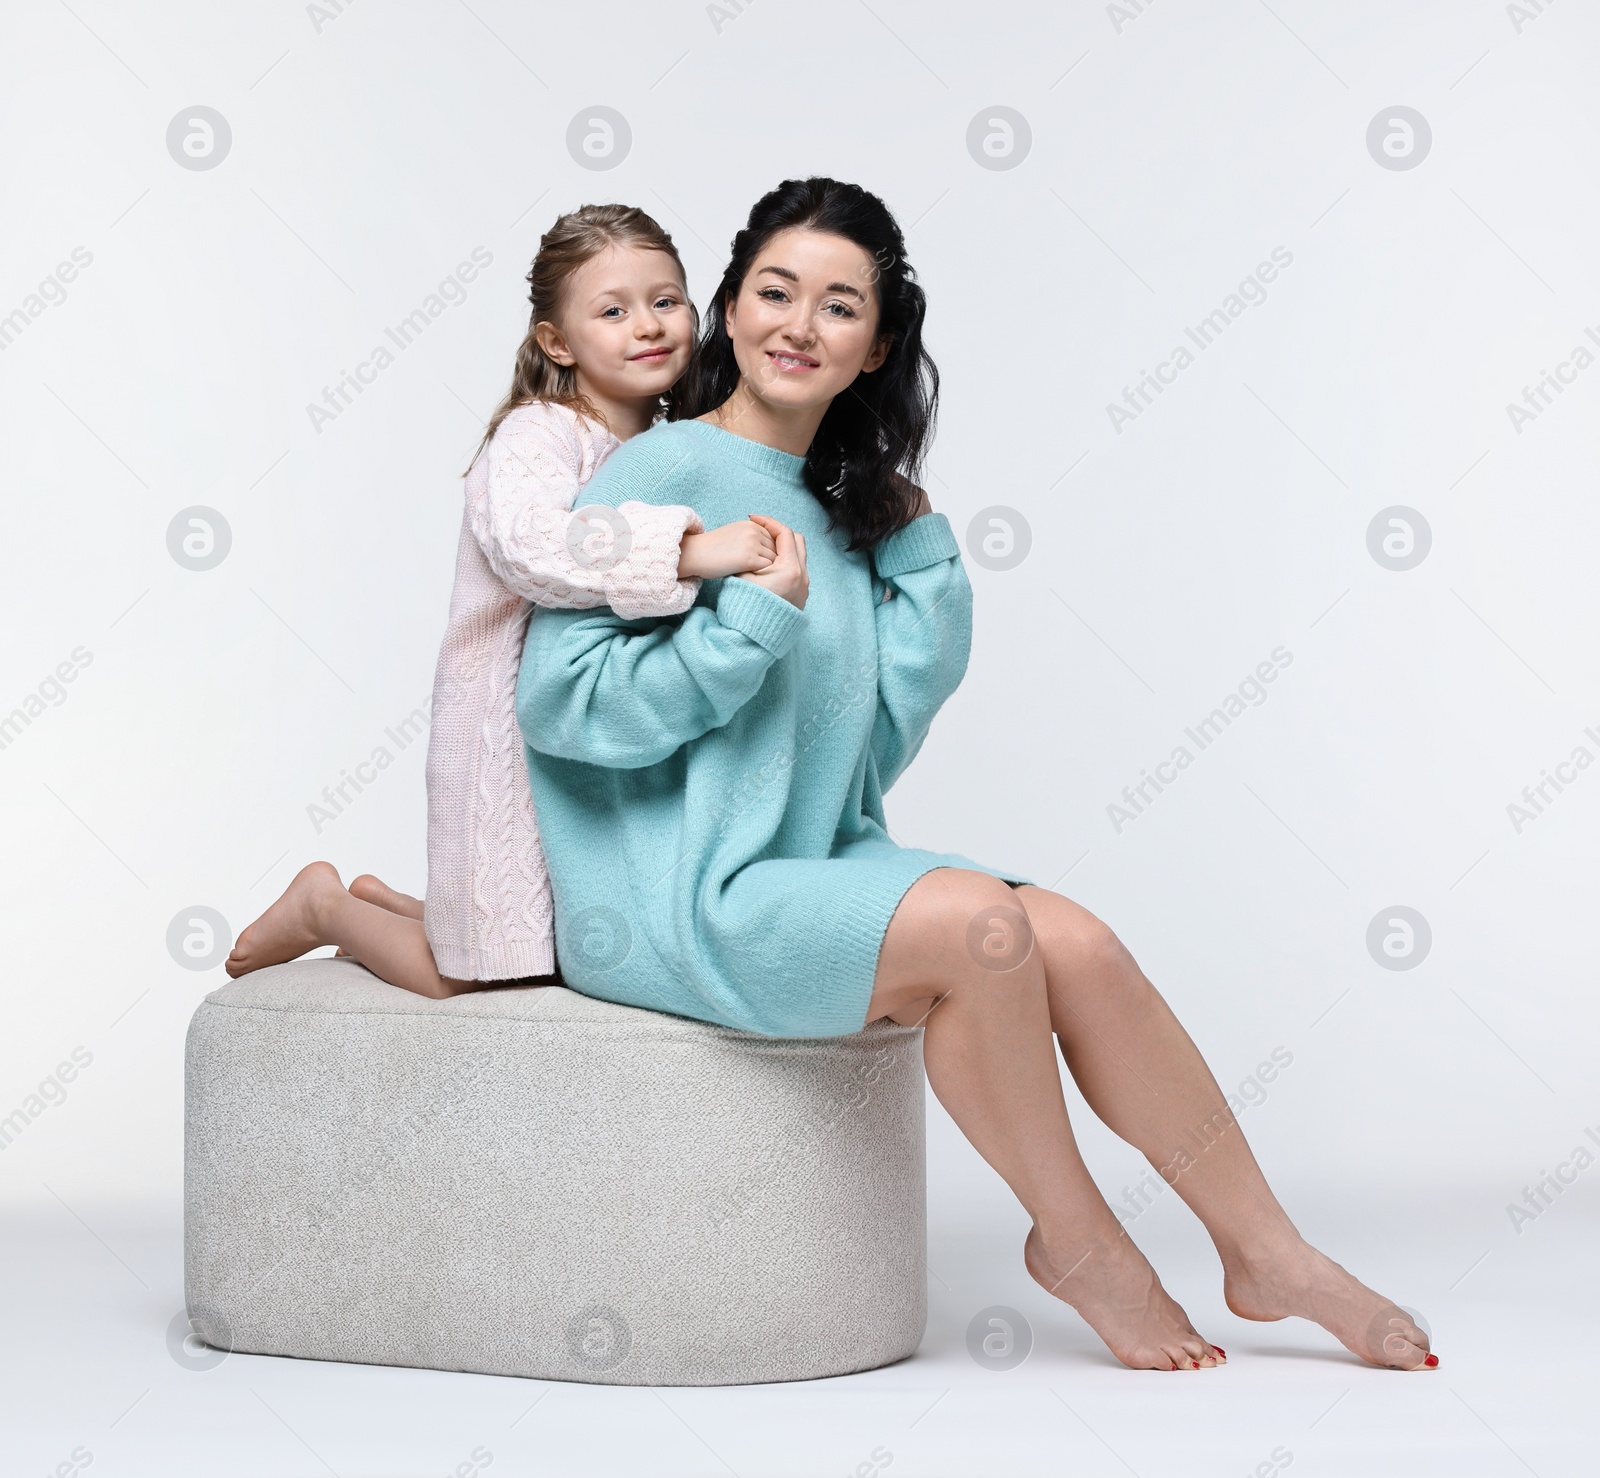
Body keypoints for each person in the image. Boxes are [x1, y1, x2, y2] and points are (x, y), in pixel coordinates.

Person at [515, 177, 1438, 1374]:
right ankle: (1083, 1243)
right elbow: (558, 706)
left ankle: (1271, 1252)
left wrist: (920, 557)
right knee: (986, 932)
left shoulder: (845, 506)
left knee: (1081, 944)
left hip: (811, 863)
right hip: (675, 893)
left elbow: (865, 748)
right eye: (775, 291)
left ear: (876, 344)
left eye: (838, 306)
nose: (800, 323)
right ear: (730, 311)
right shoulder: (663, 471)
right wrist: (740, 629)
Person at [225, 204, 777, 995]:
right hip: (501, 740)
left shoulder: (667, 443)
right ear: (558, 341)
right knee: (480, 976)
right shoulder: (539, 434)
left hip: (592, 732)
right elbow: (532, 548)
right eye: (613, 311)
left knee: (561, 946)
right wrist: (690, 550)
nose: (648, 326)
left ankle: (395, 905)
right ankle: (327, 908)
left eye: (666, 301)